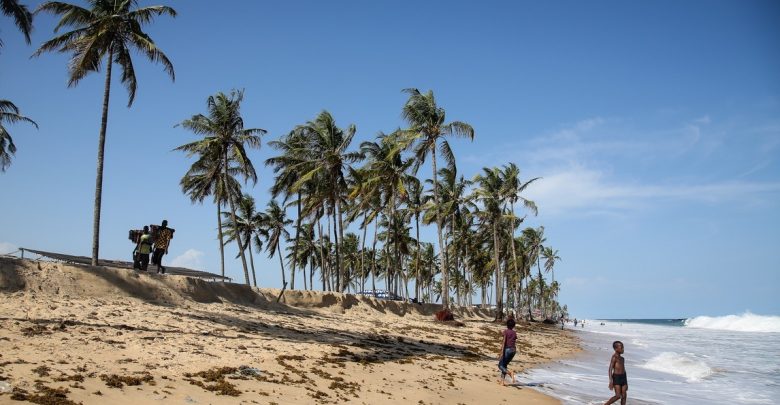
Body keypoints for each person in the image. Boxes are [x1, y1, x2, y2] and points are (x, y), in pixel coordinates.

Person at [605, 341, 628, 405]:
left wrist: (626, 382)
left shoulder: (622, 358)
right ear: (616, 349)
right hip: (616, 377)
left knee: (624, 396)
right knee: (618, 396)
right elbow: (610, 369)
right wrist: (611, 381)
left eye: (623, 347)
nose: (623, 349)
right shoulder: (614, 357)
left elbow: (624, 370)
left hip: (623, 377)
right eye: (621, 347)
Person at [497, 318, 517, 385]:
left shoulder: (505, 331)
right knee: (504, 365)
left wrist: (501, 353)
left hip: (507, 350)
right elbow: (513, 340)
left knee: (500, 365)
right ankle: (502, 382)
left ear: (507, 325)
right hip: (513, 350)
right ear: (513, 326)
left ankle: (510, 373)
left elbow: (504, 342)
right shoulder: (514, 333)